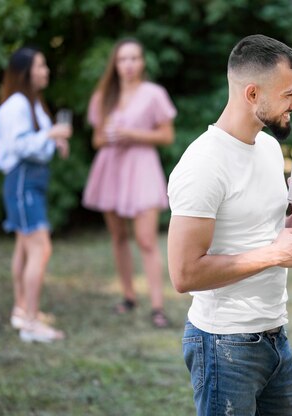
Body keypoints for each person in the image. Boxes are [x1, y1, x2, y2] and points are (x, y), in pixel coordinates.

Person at [167, 34, 292, 415]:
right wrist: (274, 254)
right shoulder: (203, 165)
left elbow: (256, 232)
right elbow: (184, 274)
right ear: (252, 94)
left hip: (274, 336)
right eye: (289, 93)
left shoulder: (269, 148)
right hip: (224, 346)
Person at [82, 38, 177, 328]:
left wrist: (133, 135)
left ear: (142, 62)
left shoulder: (154, 94)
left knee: (146, 239)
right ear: (116, 63)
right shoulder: (103, 96)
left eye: (134, 58)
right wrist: (111, 137)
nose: (129, 64)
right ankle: (128, 296)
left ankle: (158, 306)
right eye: (123, 59)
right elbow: (96, 139)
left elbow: (167, 136)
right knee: (118, 237)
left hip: (142, 168)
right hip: (111, 168)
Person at [0, 47, 72, 343]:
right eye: (41, 65)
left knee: (25, 247)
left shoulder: (31, 102)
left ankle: (21, 309)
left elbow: (36, 143)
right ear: (26, 72)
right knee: (40, 247)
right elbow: (20, 145)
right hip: (22, 179)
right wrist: (51, 136)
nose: (46, 70)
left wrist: (53, 144)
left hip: (29, 180)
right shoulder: (17, 105)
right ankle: (31, 323)